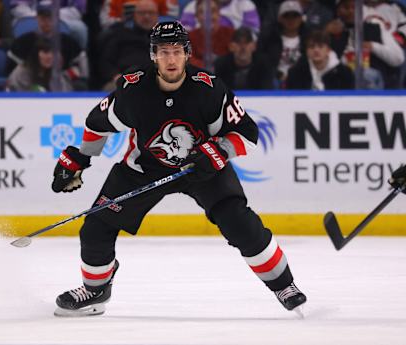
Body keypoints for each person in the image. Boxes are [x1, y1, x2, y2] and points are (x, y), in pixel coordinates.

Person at [50, 21, 307, 317]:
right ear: (153, 56)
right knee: (96, 227)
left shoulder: (209, 89)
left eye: (176, 51)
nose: (170, 59)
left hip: (204, 166)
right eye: (163, 52)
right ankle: (95, 290)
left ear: (187, 54)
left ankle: (283, 285)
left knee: (241, 224)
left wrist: (219, 151)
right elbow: (97, 124)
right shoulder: (132, 90)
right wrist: (81, 159)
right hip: (144, 167)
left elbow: (247, 133)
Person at [286, 30, 354, 90]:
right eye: (312, 46)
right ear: (306, 51)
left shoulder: (344, 74)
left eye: (320, 46)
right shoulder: (295, 73)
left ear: (328, 50)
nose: (316, 50)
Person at [6, 37, 73, 91]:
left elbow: (65, 95)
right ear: (36, 54)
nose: (50, 56)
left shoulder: (55, 73)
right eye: (45, 52)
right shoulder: (22, 72)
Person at [188, 0, 234, 69]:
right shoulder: (189, 37)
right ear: (196, 16)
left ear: (219, 14)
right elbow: (189, 60)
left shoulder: (231, 34)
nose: (208, 16)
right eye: (202, 12)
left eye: (213, 11)